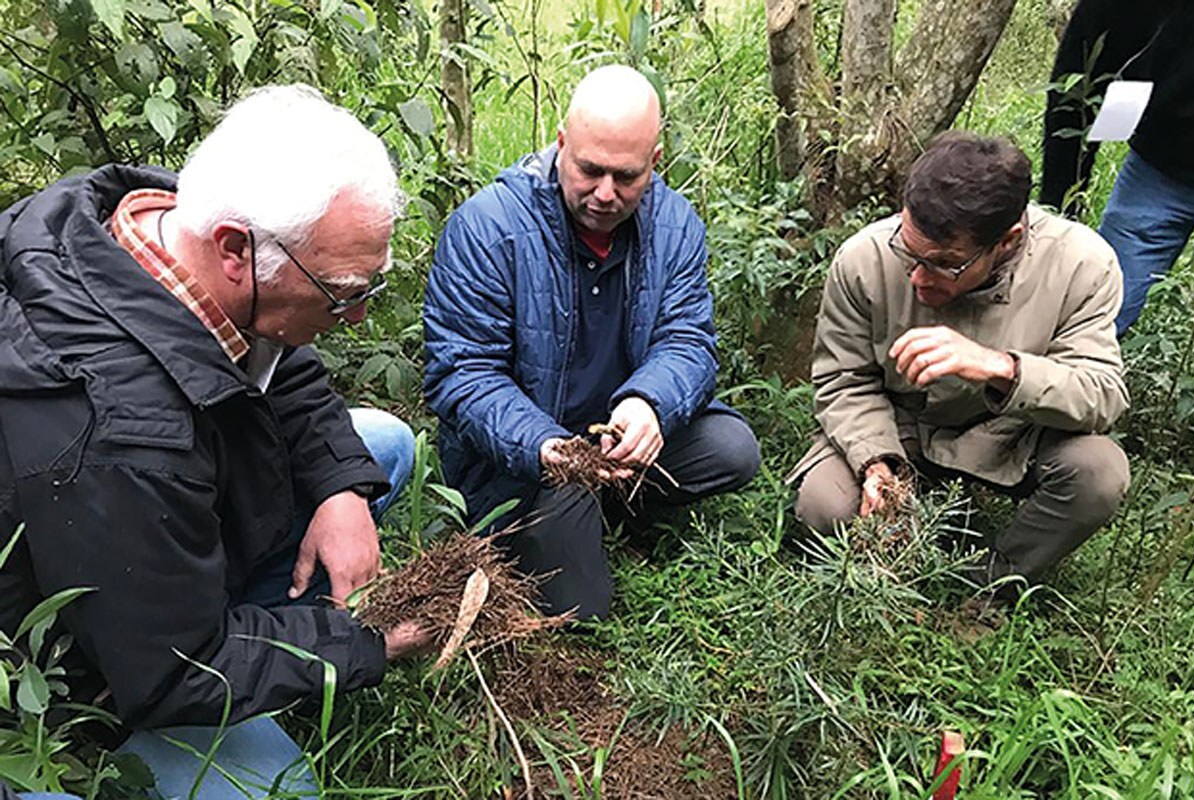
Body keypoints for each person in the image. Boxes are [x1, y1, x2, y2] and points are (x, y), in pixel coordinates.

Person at [0, 85, 429, 799]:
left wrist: (339, 485)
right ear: (236, 251)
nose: (355, 319)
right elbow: (174, 670)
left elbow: (279, 355)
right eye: (344, 294)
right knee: (284, 791)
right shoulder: (123, 437)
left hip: (157, 541)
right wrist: (363, 646)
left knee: (379, 444)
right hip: (110, 649)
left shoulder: (165, 221)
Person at [423, 65, 760, 621]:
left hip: (613, 438)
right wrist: (545, 447)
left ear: (655, 164)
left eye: (625, 177)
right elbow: (463, 375)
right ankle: (563, 515)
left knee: (731, 448)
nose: (605, 194)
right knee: (583, 612)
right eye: (589, 170)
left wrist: (649, 404)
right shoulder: (487, 228)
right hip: (527, 458)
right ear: (561, 145)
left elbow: (687, 339)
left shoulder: (674, 226)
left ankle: (610, 499)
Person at [791, 132, 1131, 596]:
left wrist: (1003, 368)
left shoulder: (1082, 265)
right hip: (902, 429)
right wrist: (876, 462)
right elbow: (844, 381)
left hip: (1012, 434)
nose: (916, 277)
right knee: (822, 504)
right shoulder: (863, 259)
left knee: (1098, 472)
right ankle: (889, 584)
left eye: (942, 264)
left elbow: (1101, 394)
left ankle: (989, 587)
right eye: (908, 253)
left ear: (1008, 241)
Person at [1041, 0, 1194, 335]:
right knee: (1094, 314)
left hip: (1161, 163)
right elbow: (1076, 90)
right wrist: (1058, 215)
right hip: (1161, 173)